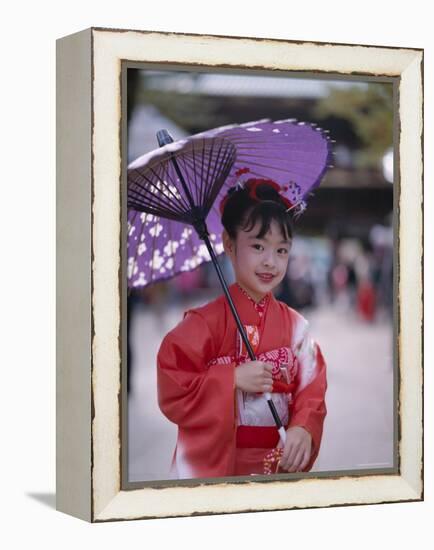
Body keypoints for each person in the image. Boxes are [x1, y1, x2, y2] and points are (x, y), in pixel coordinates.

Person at [157, 176, 327, 479]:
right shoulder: (203, 323)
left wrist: (303, 427)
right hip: (217, 462)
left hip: (276, 459)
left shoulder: (296, 327)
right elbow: (173, 385)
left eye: (281, 250)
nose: (270, 262)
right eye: (258, 246)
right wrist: (230, 378)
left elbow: (311, 386)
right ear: (228, 244)